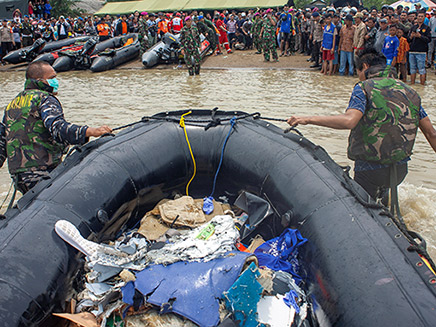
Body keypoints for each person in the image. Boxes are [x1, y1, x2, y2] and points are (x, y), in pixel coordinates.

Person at [287, 48, 436, 202]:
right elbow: (431, 133)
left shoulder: (364, 87)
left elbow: (349, 120)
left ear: (365, 67)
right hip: (400, 170)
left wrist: (308, 119)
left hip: (369, 171)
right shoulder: (410, 92)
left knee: (362, 208)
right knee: (383, 203)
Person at [0, 61, 111, 194]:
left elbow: (2, 142)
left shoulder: (13, 104)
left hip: (19, 176)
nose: (55, 81)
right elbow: (57, 127)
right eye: (52, 78)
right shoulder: (45, 99)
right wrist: (91, 131)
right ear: (40, 80)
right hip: (42, 172)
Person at [408, 11, 431, 85]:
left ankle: (422, 85)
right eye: (419, 16)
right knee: (412, 69)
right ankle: (412, 84)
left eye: (422, 16)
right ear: (416, 17)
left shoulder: (427, 28)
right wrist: (411, 36)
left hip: (421, 51)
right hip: (412, 50)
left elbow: (428, 40)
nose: (420, 18)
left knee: (421, 69)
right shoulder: (413, 27)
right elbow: (408, 39)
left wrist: (420, 36)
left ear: (424, 18)